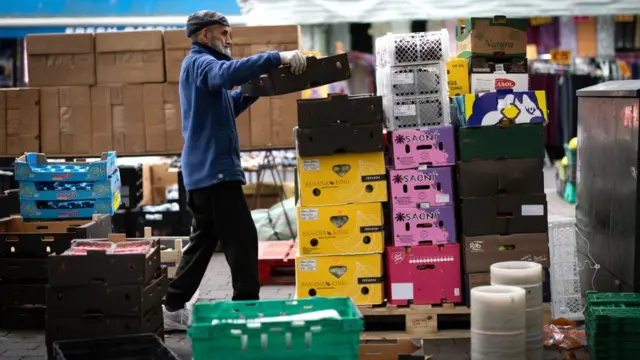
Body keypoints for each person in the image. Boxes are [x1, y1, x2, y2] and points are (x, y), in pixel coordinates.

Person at [162, 10, 307, 331]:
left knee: (204, 241)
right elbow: (225, 76)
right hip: (213, 173)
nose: (229, 39)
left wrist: (259, 88)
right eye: (223, 33)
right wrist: (276, 56)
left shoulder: (203, 68)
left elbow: (230, 102)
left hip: (207, 172)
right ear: (204, 35)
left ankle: (172, 306)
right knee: (242, 239)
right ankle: (246, 307)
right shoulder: (200, 63)